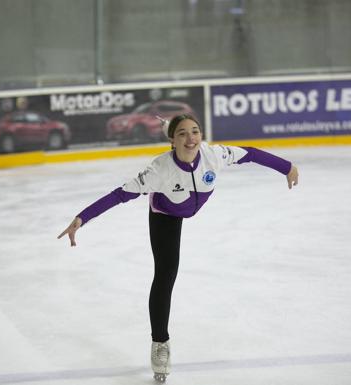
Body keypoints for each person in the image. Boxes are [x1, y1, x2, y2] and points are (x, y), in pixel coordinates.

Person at [58, 114, 299, 382]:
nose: (191, 138)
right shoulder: (159, 170)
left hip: (189, 201)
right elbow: (119, 195)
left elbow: (251, 154)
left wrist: (286, 166)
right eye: (182, 134)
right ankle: (160, 344)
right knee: (166, 273)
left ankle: (168, 124)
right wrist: (82, 218)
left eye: (195, 131)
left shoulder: (213, 155)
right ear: (172, 141)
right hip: (166, 212)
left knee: (168, 272)